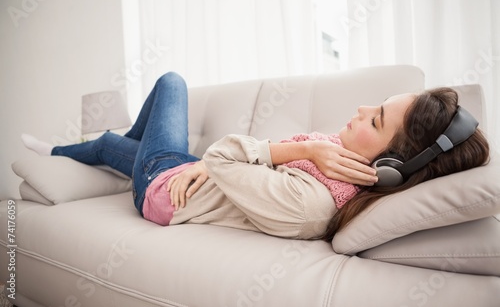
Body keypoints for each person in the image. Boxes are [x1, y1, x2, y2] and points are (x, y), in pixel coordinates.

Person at [22, 72, 490, 240]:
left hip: (163, 190)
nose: (362, 110)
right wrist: (312, 150)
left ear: (390, 167)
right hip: (188, 171)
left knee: (171, 82)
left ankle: (107, 150)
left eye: (376, 120)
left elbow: (223, 158)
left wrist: (305, 148)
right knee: (108, 144)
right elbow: (232, 162)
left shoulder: (310, 203)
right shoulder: (339, 161)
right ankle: (60, 151)